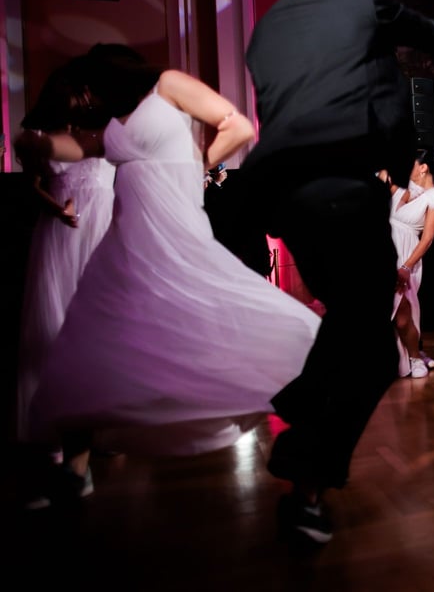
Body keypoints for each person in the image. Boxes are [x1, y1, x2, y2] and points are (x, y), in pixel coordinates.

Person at [242, 0, 434, 545]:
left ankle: (302, 433)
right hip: (340, 188)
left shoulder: (267, 27)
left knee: (351, 322)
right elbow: (428, 32)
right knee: (371, 346)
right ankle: (302, 466)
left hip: (284, 195)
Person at [21, 44, 321, 505]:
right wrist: (37, 143)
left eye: (83, 91)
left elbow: (237, 125)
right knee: (83, 342)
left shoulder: (168, 85)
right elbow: (79, 147)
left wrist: (196, 165)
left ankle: (308, 440)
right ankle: (75, 472)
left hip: (176, 231)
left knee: (238, 320)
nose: (80, 103)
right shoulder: (112, 122)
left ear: (105, 77)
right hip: (122, 242)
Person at [13, 59, 116, 506]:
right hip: (64, 236)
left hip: (105, 233)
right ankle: (60, 445)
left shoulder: (106, 134)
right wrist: (55, 209)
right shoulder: (40, 137)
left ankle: (101, 431)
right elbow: (32, 184)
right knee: (54, 334)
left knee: (104, 335)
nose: (85, 102)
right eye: (78, 95)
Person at [384, 148, 434, 378]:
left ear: (423, 168)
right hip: (382, 254)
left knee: (403, 316)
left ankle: (414, 357)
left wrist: (406, 266)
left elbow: (428, 238)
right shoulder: (400, 188)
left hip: (406, 256)